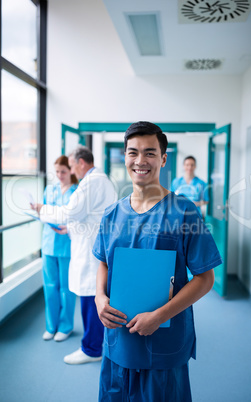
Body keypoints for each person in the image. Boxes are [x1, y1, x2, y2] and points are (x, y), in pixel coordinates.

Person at [92, 121, 222, 401]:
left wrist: (160, 316)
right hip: (119, 340)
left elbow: (205, 278)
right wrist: (99, 297)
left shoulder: (184, 212)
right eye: (133, 152)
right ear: (125, 157)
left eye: (150, 153)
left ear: (163, 158)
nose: (141, 161)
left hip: (163, 340)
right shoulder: (112, 214)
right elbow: (103, 260)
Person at [33, 146, 117, 364]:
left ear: (81, 162)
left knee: (91, 296)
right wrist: (70, 229)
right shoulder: (97, 181)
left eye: (71, 166)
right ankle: (93, 345)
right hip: (91, 242)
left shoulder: (92, 182)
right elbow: (88, 216)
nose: (71, 171)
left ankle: (91, 349)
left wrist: (43, 209)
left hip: (91, 250)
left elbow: (70, 212)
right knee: (92, 295)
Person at [41, 155, 78, 342]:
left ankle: (65, 326)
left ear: (71, 170)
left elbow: (78, 218)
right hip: (48, 244)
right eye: (57, 172)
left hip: (67, 246)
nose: (59, 175)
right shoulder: (50, 189)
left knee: (66, 288)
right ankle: (51, 326)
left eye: (63, 171)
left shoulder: (77, 191)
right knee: (49, 287)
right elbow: (45, 212)